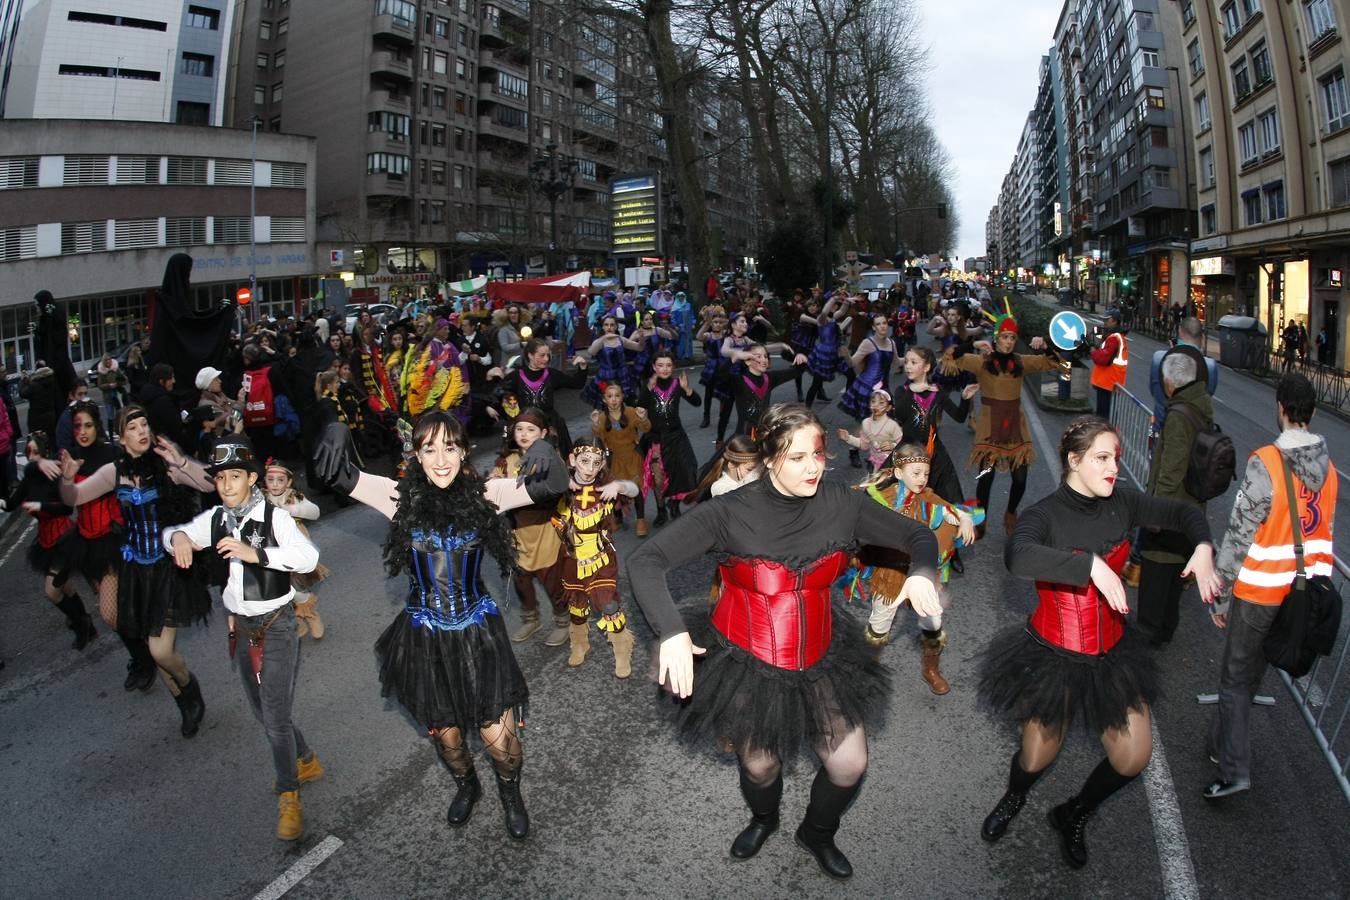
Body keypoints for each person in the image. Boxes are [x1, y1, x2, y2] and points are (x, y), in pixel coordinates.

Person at [628, 403, 942, 880]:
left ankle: (817, 832)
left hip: (822, 653)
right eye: (797, 457)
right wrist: (671, 632)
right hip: (747, 658)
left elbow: (919, 536)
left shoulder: (844, 503)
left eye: (818, 453)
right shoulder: (727, 513)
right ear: (770, 457)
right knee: (759, 766)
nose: (813, 466)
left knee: (849, 763)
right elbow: (646, 560)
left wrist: (920, 572)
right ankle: (764, 818)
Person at [313, 409, 568, 840]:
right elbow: (337, 474)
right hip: (425, 635)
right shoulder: (398, 496)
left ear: (465, 450)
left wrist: (546, 449)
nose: (441, 459)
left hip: (477, 632)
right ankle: (467, 786)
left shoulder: (487, 493)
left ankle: (510, 794)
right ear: (415, 455)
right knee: (448, 737)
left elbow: (553, 483)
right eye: (429, 449)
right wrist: (336, 427)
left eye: (450, 447)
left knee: (499, 740)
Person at [977, 416, 1219, 869]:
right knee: (1035, 757)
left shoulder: (1122, 504)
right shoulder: (1043, 515)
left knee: (1133, 757)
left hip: (1110, 655)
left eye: (1116, 459)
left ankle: (1073, 814)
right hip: (1052, 652)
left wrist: (1203, 546)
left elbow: (1183, 513)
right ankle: (1015, 796)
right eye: (1102, 459)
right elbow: (1018, 555)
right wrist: (1088, 564)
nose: (1114, 469)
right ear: (1073, 460)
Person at [165, 435, 322, 841]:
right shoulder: (216, 517)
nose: (227, 485)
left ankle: (289, 793)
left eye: (235, 476)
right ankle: (304, 758)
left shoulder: (275, 518)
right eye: (221, 478)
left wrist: (259, 554)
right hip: (242, 628)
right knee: (264, 710)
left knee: (272, 715)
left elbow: (308, 557)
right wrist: (179, 539)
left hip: (279, 626)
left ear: (251, 478)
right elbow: (178, 533)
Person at [1205, 374, 1337, 800]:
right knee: (1252, 673)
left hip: (1259, 592)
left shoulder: (1266, 461)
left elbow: (1240, 534)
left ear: (1280, 408)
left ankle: (1233, 768)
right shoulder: (1330, 471)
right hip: (1299, 595)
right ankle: (1221, 745)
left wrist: (1221, 593)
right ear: (1313, 412)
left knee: (1234, 678)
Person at [58, 405, 215, 737]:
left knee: (161, 650)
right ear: (122, 436)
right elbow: (73, 498)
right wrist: (68, 479)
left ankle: (188, 685)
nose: (142, 431)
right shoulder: (113, 473)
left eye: (145, 424)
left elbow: (209, 485)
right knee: (151, 646)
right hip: (136, 568)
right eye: (134, 427)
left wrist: (182, 462)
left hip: (169, 565)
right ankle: (183, 704)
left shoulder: (165, 465)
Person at [839, 443, 981, 694]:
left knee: (932, 623)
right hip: (890, 573)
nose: (922, 479)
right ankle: (870, 669)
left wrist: (965, 517)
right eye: (916, 473)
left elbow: (951, 511)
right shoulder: (882, 498)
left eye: (925, 474)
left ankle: (931, 670)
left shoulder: (929, 498)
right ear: (898, 473)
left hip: (923, 576)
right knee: (879, 624)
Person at [941, 307, 1055, 535]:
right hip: (990, 430)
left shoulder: (1021, 362)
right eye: (1005, 337)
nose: (1009, 342)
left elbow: (1052, 363)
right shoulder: (982, 362)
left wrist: (1046, 346)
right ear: (996, 337)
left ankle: (1011, 512)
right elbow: (950, 356)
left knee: (1021, 480)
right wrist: (972, 344)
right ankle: (980, 518)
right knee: (986, 478)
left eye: (1013, 337)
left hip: (1015, 429)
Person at [1137, 353, 1214, 647]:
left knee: (1157, 574)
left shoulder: (1180, 416)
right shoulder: (1201, 407)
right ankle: (1165, 629)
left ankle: (1148, 636)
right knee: (1174, 576)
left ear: (1170, 382)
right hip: (1190, 510)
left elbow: (1170, 471)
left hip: (1169, 515)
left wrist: (1153, 514)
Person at [551, 436, 641, 676]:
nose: (590, 468)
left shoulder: (606, 487)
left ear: (602, 464)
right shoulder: (560, 485)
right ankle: (579, 643)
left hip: (601, 556)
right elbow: (530, 491)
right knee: (577, 605)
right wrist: (557, 485)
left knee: (608, 603)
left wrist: (619, 486)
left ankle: (622, 651)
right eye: (584, 461)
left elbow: (635, 489)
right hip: (571, 557)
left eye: (596, 462)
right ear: (572, 459)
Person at [2, 429, 96, 650]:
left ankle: (81, 623)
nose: (32, 457)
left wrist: (42, 507)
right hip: (45, 542)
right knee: (64, 587)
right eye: (28, 452)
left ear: (44, 453)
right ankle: (86, 624)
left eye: (36, 452)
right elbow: (11, 503)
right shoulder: (29, 478)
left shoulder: (54, 475)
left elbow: (65, 508)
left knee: (52, 590)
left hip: (64, 539)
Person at [491, 410, 569, 647]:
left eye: (531, 429)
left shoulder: (550, 460)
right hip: (517, 532)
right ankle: (531, 618)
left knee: (552, 581)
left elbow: (559, 488)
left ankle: (563, 621)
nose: (524, 434)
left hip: (544, 530)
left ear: (544, 433)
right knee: (521, 581)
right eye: (519, 429)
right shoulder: (507, 461)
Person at [487, 338, 588, 456]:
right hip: (526, 427)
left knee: (553, 462)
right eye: (542, 355)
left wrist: (583, 367)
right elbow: (500, 392)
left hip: (550, 426)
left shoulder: (551, 374)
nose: (546, 359)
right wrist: (492, 404)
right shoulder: (517, 376)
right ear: (530, 355)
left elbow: (577, 383)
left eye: (548, 355)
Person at [262, 459, 328, 640]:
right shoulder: (260, 498)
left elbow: (314, 512)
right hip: (269, 548)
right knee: (275, 590)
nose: (275, 484)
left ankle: (310, 613)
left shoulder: (293, 496)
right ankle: (298, 619)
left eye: (280, 480)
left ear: (289, 482)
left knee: (287, 587)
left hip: (294, 547)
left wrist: (291, 509)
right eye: (271, 479)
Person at [636, 351, 701, 526]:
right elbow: (640, 407)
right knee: (658, 478)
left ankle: (674, 504)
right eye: (660, 365)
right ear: (653, 367)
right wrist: (648, 389)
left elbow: (697, 402)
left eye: (668, 365)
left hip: (676, 436)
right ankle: (661, 510)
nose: (664, 369)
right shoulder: (648, 385)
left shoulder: (677, 384)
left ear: (673, 367)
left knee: (685, 471)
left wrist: (687, 389)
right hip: (656, 439)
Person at [1148, 316, 1217, 437]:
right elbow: (1207, 394)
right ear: (1202, 338)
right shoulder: (1209, 366)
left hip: (1163, 430)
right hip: (1195, 437)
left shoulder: (1159, 359)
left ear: (1179, 331)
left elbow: (1154, 391)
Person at [835, 388, 902, 473]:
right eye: (873, 401)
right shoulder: (866, 423)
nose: (876, 405)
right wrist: (848, 438)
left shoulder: (892, 425)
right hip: (874, 465)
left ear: (888, 407)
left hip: (891, 466)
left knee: (887, 486)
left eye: (881, 403)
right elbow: (864, 445)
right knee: (872, 486)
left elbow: (903, 444)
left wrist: (893, 445)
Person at [1089, 309, 1129, 420]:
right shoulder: (1115, 336)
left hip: (1107, 381)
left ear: (1115, 321)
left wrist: (1093, 351)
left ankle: (1104, 433)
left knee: (1103, 415)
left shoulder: (1114, 338)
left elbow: (1103, 359)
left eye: (1107, 319)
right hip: (1109, 381)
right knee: (1104, 413)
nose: (1104, 321)